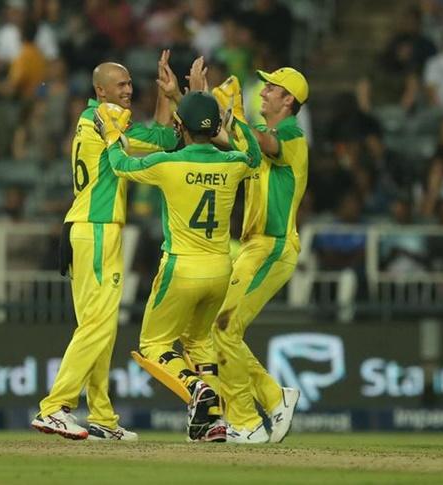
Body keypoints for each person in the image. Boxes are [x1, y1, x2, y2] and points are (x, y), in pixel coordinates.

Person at [31, 55, 178, 441]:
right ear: (101, 90)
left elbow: (159, 135)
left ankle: (102, 417)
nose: (128, 91)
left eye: (130, 84)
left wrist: (164, 95)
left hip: (79, 228)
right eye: (121, 85)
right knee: (99, 324)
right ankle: (55, 407)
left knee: (95, 327)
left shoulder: (90, 119)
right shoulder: (109, 117)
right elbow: (165, 136)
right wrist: (169, 97)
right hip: (97, 231)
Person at [101, 89, 260, 442]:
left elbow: (120, 165)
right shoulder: (231, 163)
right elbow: (255, 156)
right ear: (215, 125)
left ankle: (196, 388)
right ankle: (212, 420)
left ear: (178, 125)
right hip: (220, 269)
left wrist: (112, 134)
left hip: (181, 268)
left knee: (154, 345)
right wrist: (237, 124)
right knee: (201, 342)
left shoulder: (167, 164)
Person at [208, 67, 309, 443]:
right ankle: (272, 396)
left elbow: (262, 142)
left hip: (274, 244)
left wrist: (231, 111)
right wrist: (196, 100)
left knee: (224, 328)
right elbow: (220, 136)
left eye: (272, 88)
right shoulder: (259, 136)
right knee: (220, 330)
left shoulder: (292, 134)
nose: (263, 91)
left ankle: (247, 421)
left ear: (288, 100)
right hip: (255, 246)